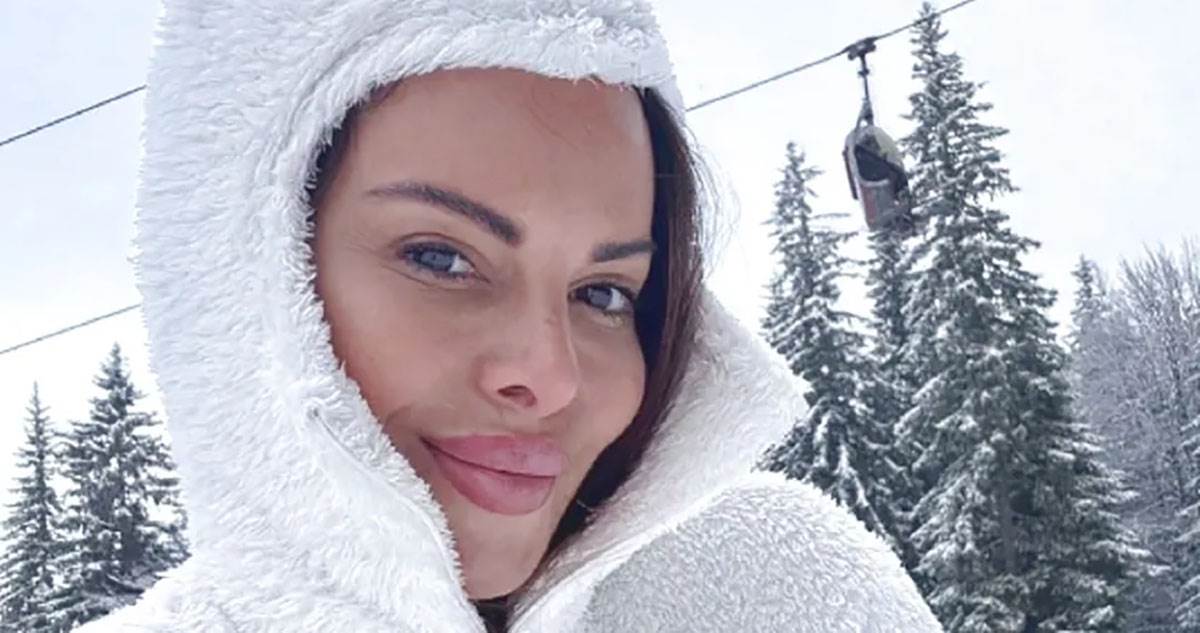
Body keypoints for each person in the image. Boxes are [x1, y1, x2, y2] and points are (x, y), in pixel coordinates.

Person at [76, 1, 942, 631]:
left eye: (604, 293)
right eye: (440, 258)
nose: (551, 375)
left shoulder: (774, 594)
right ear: (247, 271)